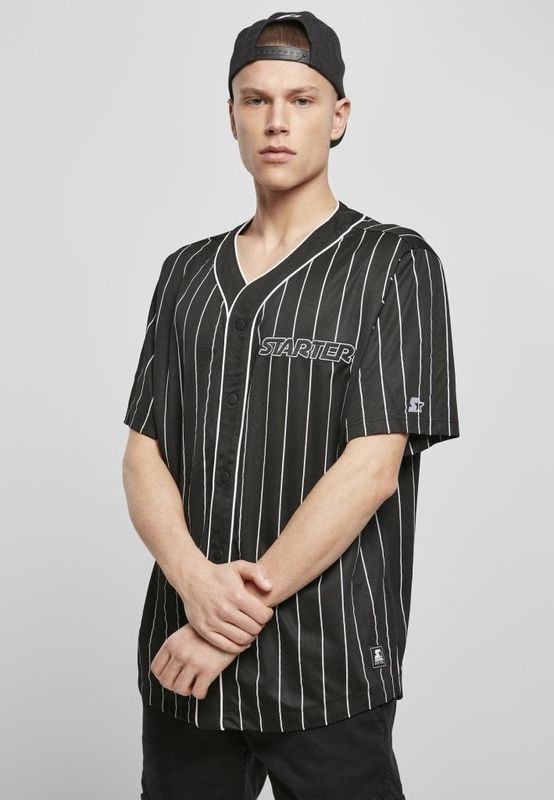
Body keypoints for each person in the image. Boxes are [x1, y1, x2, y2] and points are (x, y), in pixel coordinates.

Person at [122, 10, 460, 800]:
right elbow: (143, 453)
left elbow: (371, 470)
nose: (277, 121)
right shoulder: (184, 274)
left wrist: (227, 621)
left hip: (327, 669)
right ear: (232, 116)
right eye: (256, 99)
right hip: (182, 664)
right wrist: (193, 584)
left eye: (301, 100)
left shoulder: (394, 266)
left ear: (338, 116)